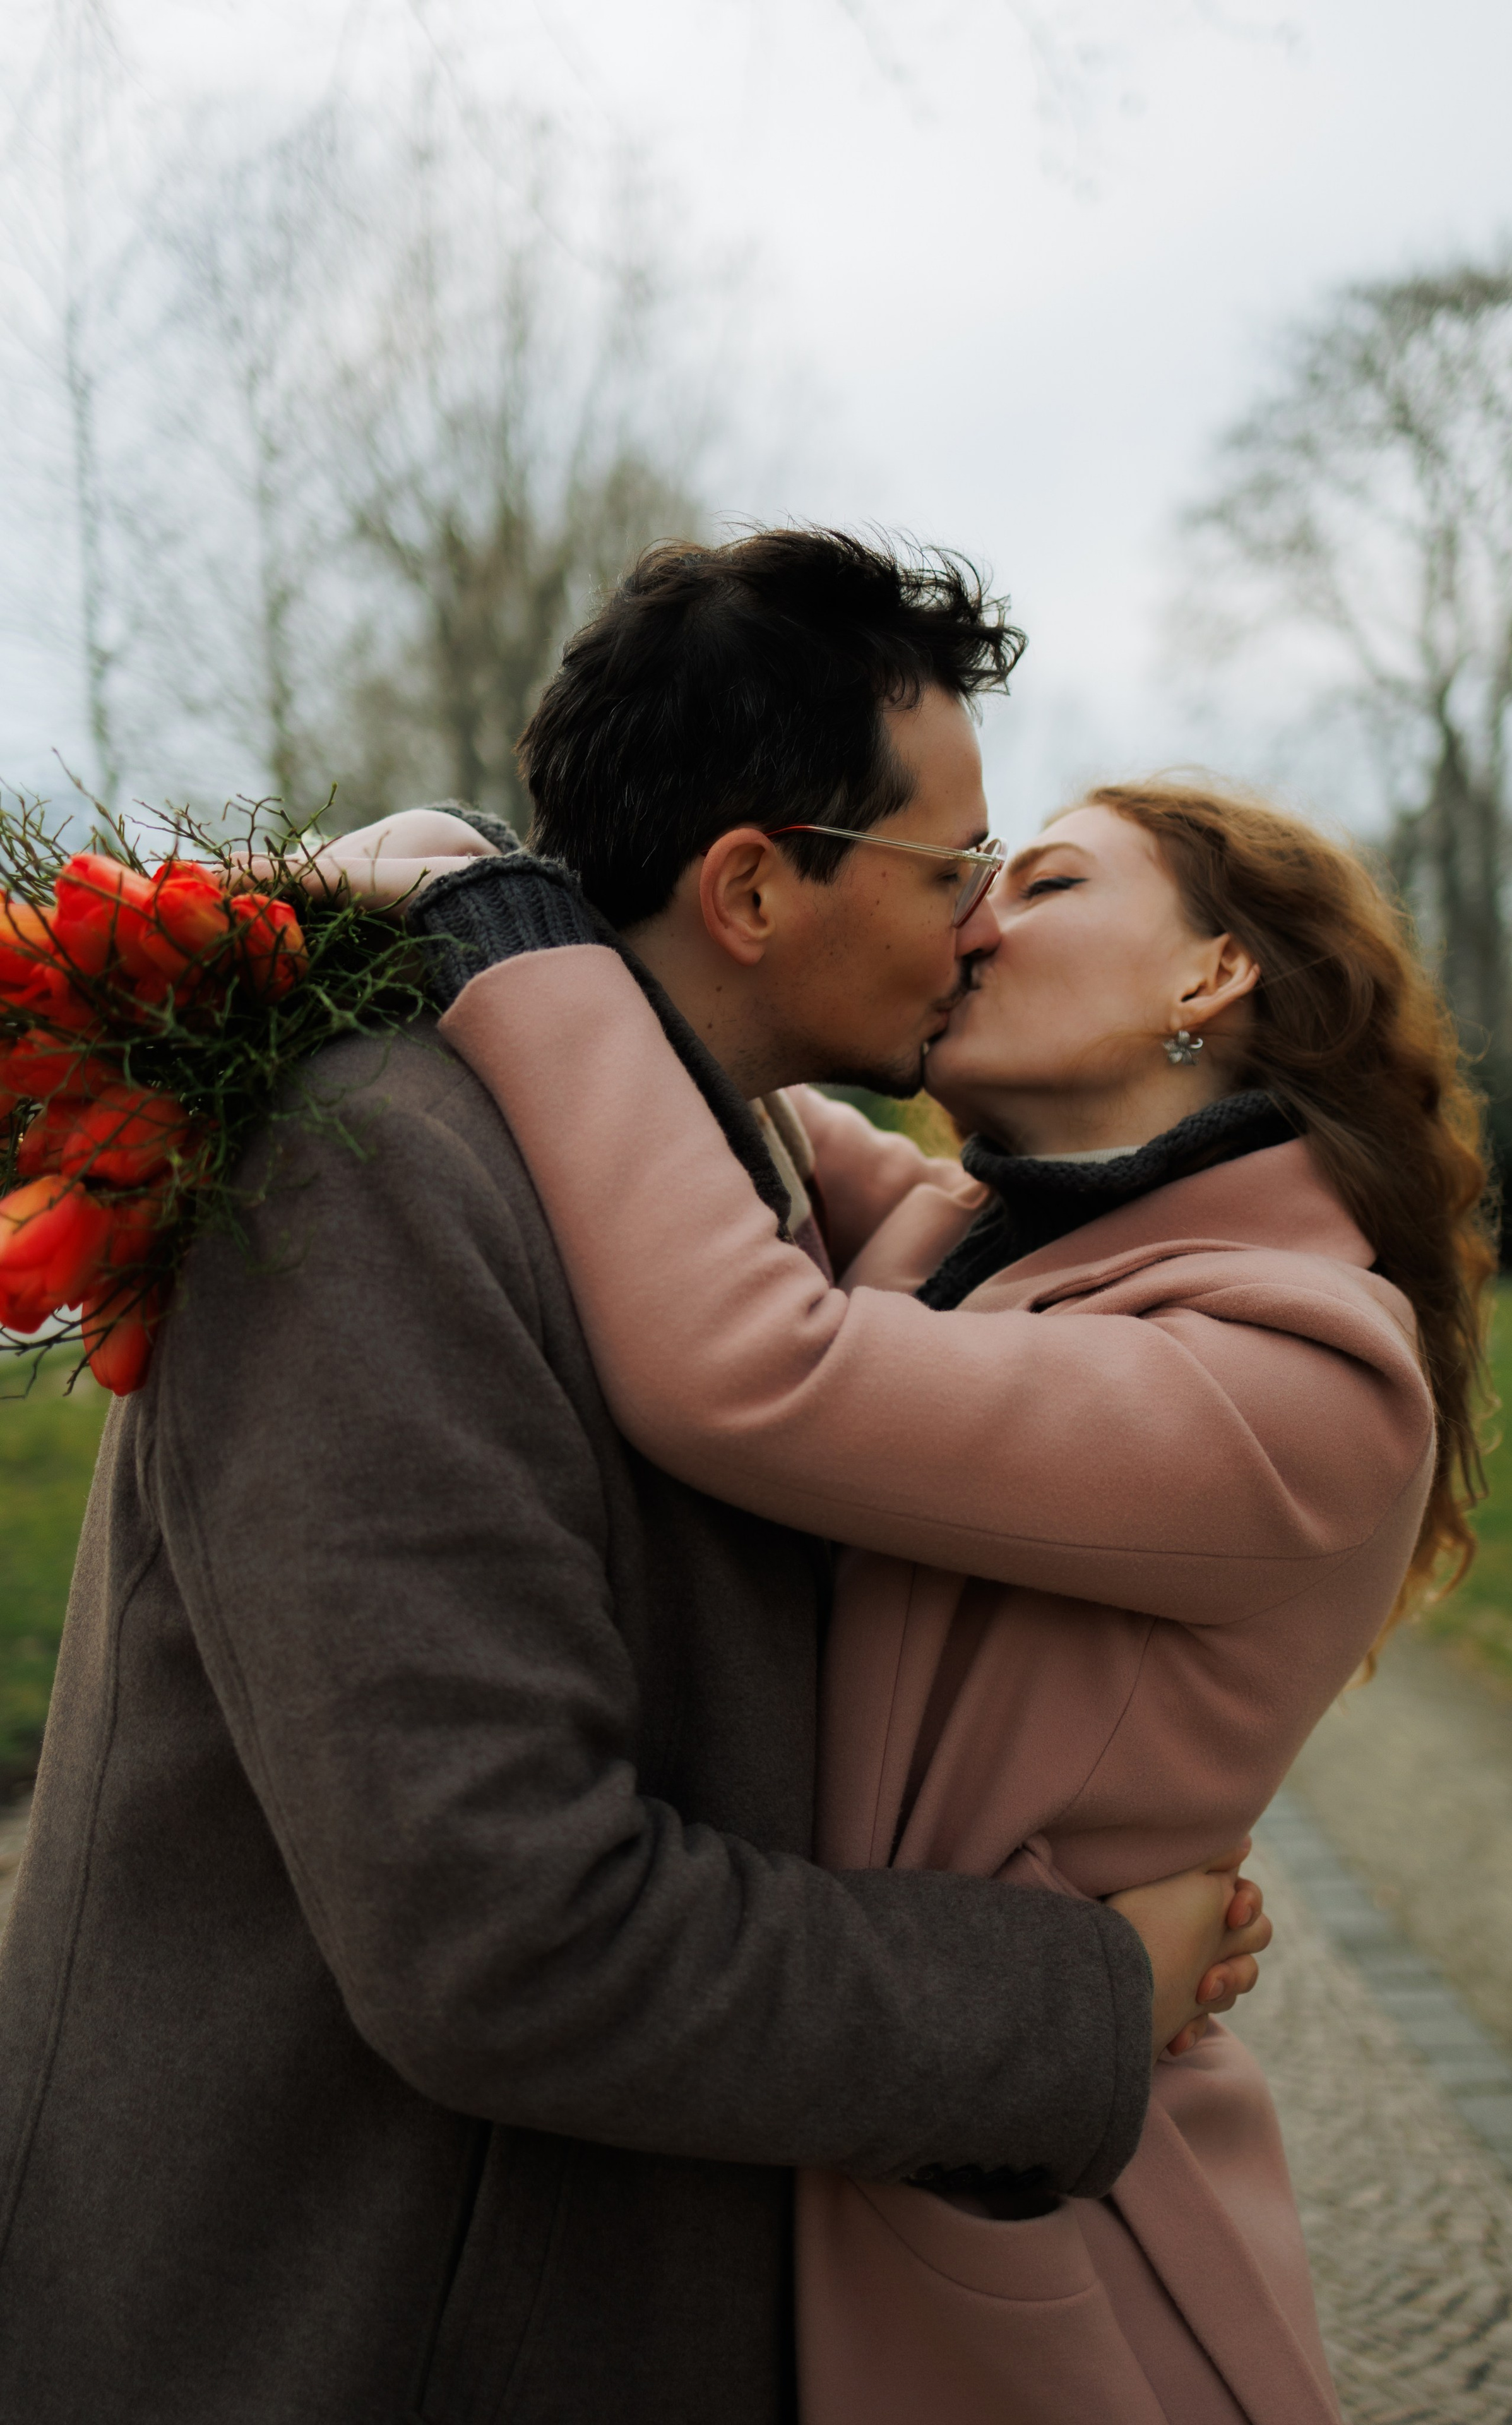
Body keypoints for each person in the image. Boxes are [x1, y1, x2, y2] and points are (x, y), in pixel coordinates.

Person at [0, 531, 1270, 2425]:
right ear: (753, 887)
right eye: (954, 868)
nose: (982, 924)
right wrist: (1075, 1997)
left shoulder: (709, 1150)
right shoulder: (378, 1176)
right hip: (338, 2333)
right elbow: (509, 1939)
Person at [357, 739, 1492, 2421]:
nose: (974, 922)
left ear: (1214, 969)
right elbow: (692, 1080)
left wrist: (517, 943)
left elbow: (749, 1362)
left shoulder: (1312, 1378)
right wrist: (435, 869)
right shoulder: (962, 1226)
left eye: (1044, 882)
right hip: (847, 2136)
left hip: (1055, 2265)